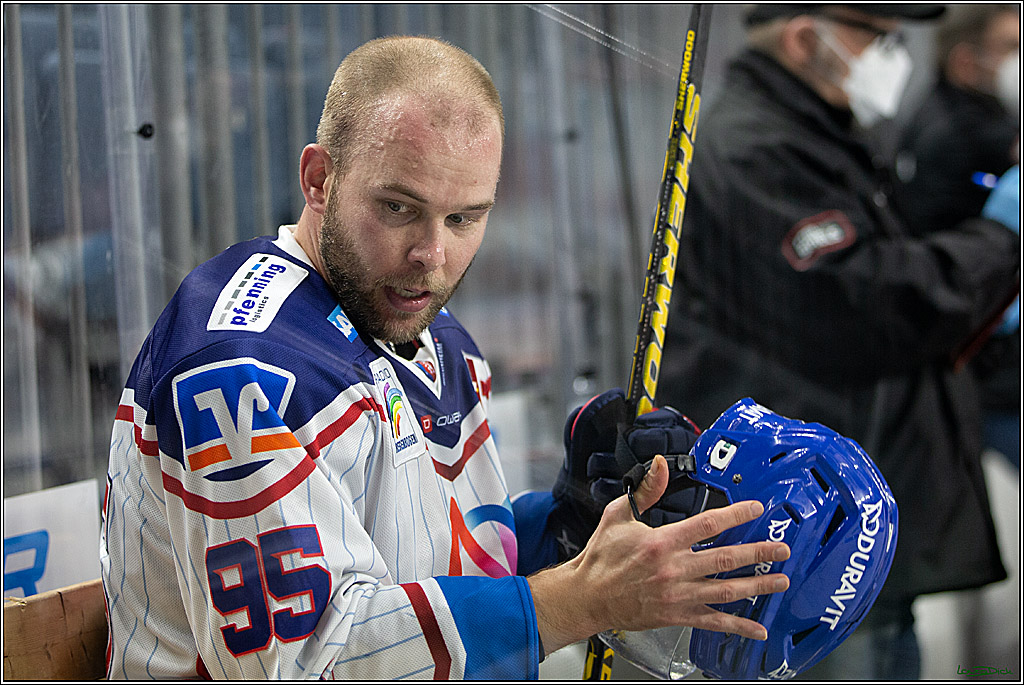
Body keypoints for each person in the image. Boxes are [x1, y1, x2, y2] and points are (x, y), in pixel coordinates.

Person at [98, 36, 791, 680]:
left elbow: (444, 564)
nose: (433, 255)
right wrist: (580, 599)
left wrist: (573, 518)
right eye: (400, 208)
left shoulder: (431, 332)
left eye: (464, 217)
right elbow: (310, 658)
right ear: (319, 180)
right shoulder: (241, 365)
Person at [657, 4, 1021, 681]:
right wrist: (999, 241)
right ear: (806, 38)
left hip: (836, 522)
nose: (894, 53)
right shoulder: (758, 147)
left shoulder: (817, 132)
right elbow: (867, 307)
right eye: (879, 38)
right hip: (804, 542)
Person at [894, 4, 1021, 469]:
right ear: (967, 61)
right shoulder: (954, 131)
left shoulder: (967, 114)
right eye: (1012, 48)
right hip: (977, 367)